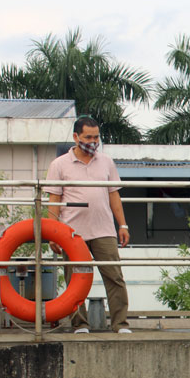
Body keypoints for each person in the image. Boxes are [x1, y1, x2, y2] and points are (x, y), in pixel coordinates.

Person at [45, 115, 132, 334]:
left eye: (96, 137)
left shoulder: (106, 162)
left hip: (104, 230)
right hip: (72, 233)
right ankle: (80, 323)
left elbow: (114, 195)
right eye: (88, 137)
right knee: (75, 279)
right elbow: (54, 200)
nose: (92, 141)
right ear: (76, 137)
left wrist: (123, 225)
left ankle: (120, 324)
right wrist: (52, 232)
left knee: (114, 276)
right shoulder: (59, 165)